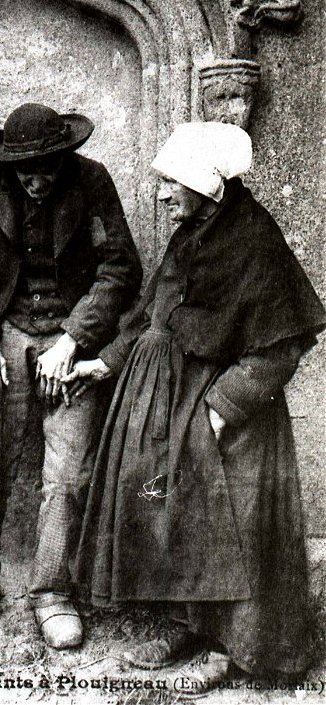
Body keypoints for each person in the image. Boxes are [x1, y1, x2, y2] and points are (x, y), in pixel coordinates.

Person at [64, 122, 325, 695]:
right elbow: (152, 312)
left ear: (207, 184)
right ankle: (190, 623)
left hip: (229, 412)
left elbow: (281, 347)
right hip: (174, 400)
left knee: (238, 522)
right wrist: (104, 362)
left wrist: (219, 412)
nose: (160, 194)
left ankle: (240, 649)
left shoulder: (254, 239)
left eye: (170, 182)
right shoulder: (192, 232)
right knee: (170, 505)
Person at [0, 103, 142, 648]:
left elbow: (121, 269)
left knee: (68, 477)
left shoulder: (93, 180)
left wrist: (74, 339)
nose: (36, 180)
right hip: (3, 335)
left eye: (47, 168)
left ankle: (51, 591)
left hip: (72, 342)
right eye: (26, 170)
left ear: (64, 156)